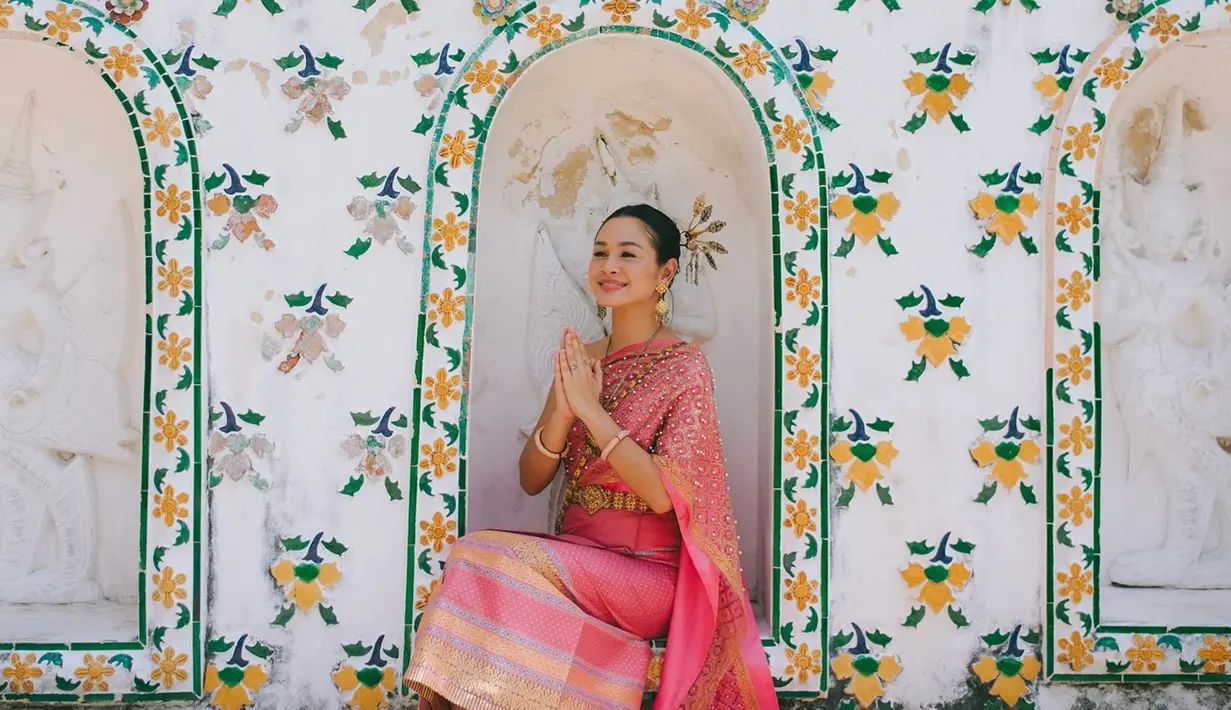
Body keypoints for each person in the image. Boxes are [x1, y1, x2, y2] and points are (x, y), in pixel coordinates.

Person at [404, 202, 779, 709]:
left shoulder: (685, 368)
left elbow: (663, 498)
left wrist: (590, 410)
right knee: (477, 570)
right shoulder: (586, 359)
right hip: (576, 561)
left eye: (628, 254)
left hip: (646, 576)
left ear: (665, 272)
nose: (609, 266)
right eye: (601, 252)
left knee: (479, 557)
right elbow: (532, 479)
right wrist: (561, 412)